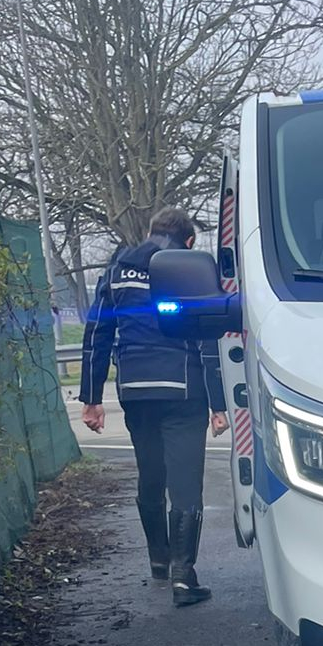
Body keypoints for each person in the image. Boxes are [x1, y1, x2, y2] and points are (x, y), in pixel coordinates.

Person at [79, 206, 228, 607]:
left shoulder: (117, 269)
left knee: (150, 475)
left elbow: (97, 334)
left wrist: (92, 398)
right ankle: (184, 577)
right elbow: (207, 339)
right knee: (185, 484)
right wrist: (218, 403)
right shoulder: (189, 270)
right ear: (189, 241)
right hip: (183, 391)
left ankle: (159, 560)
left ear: (150, 232)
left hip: (136, 390)